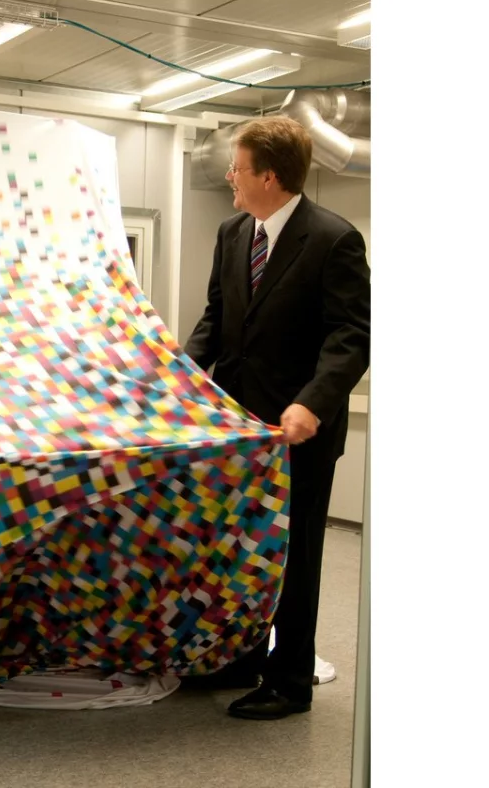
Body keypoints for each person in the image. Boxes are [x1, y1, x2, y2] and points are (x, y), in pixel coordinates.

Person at [182, 116, 370, 721]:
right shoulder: (234, 232)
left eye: (237, 168)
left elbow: (351, 337)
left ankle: (290, 681)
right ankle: (240, 659)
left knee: (294, 556)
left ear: (269, 174)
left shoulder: (334, 239)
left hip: (300, 434)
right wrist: (180, 375)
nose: (230, 176)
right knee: (241, 552)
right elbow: (216, 318)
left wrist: (312, 402)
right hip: (241, 433)